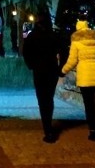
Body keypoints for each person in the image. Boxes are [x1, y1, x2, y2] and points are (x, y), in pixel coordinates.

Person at [60, 18, 95, 141]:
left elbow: (73, 60)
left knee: (88, 104)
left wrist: (63, 71)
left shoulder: (76, 43)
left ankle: (93, 129)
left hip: (84, 76)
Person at [22, 13, 64, 143]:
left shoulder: (32, 36)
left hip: (39, 71)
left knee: (42, 99)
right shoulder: (52, 35)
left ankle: (48, 129)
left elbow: (26, 52)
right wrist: (60, 68)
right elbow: (63, 50)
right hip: (51, 70)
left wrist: (31, 65)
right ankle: (48, 127)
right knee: (48, 99)